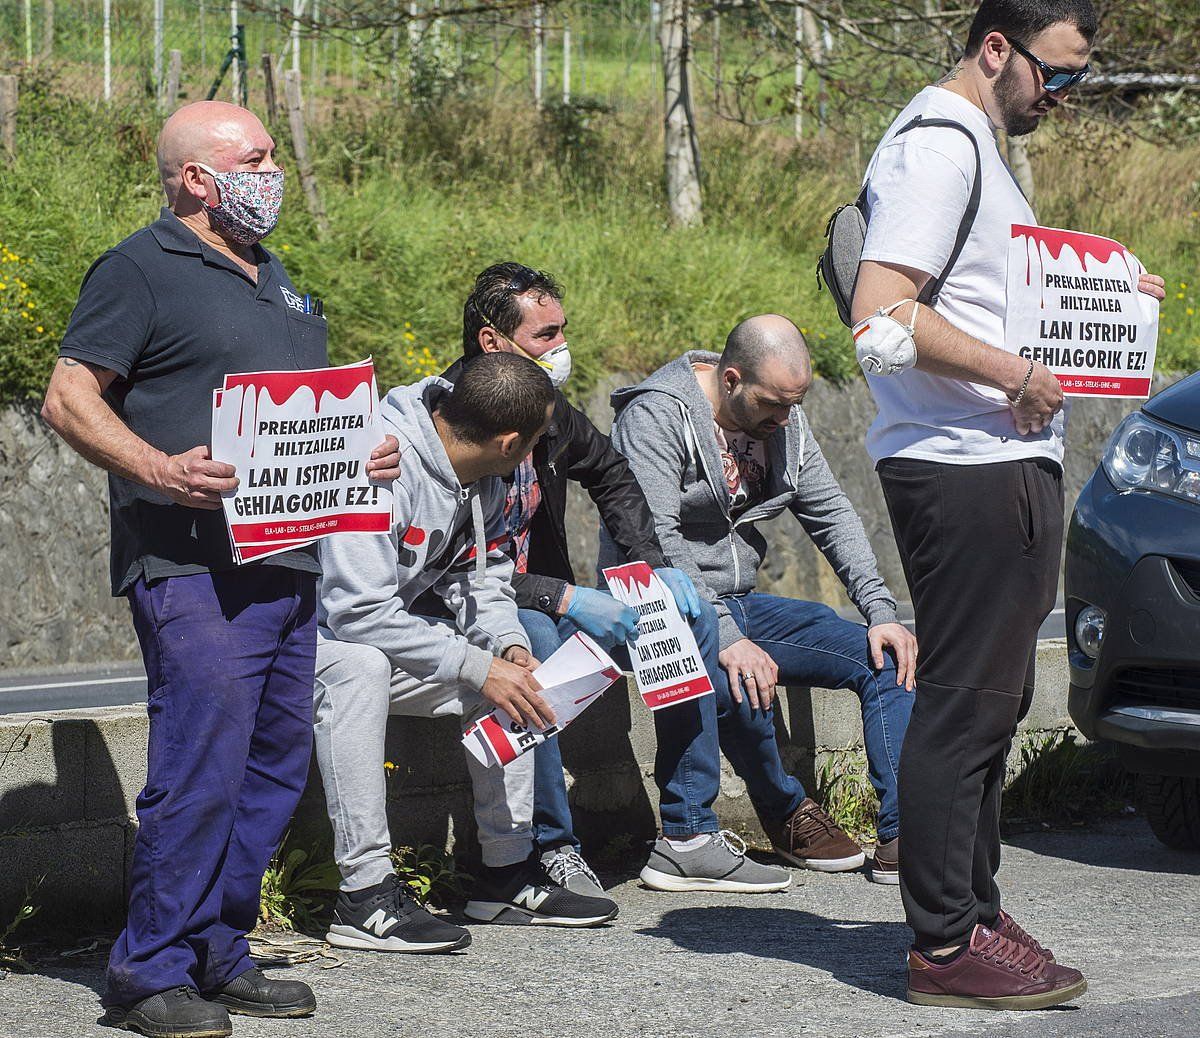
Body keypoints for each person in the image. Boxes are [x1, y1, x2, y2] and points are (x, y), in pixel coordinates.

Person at [41, 101, 401, 1037]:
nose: (273, 169)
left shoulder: (277, 279)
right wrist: (160, 470)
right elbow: (69, 397)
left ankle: (216, 948)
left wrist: (356, 453)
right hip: (192, 567)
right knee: (200, 767)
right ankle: (149, 971)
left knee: (273, 767)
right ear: (198, 178)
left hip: (289, 562)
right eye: (258, 156)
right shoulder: (138, 269)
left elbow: (291, 423)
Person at [849, 0, 1166, 1009]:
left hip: (988, 462)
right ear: (998, 49)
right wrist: (1014, 374)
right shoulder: (939, 149)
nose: (1062, 97)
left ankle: (974, 911)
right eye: (1058, 74)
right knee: (967, 705)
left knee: (993, 703)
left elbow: (993, 300)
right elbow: (882, 311)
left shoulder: (973, 152)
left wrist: (1109, 301)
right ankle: (945, 946)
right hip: (962, 463)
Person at [446, 264, 797, 895]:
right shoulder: (456, 418)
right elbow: (454, 570)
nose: (560, 350)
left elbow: (610, 472)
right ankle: (552, 846)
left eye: (563, 332)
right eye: (543, 337)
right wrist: (561, 595)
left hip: (550, 593)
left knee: (680, 612)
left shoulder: (549, 409)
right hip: (481, 607)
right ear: (491, 342)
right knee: (536, 648)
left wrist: (650, 570)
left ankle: (688, 833)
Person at [314, 351, 621, 955]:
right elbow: (354, 613)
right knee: (362, 667)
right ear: (510, 442)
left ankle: (504, 873)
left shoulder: (483, 476)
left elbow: (483, 577)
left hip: (372, 632)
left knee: (512, 680)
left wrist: (504, 646)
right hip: (298, 641)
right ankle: (364, 894)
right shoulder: (379, 463)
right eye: (536, 444)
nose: (538, 456)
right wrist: (476, 663)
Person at [601, 315, 918, 887]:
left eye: (793, 404)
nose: (782, 418)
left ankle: (904, 836)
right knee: (733, 678)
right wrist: (728, 638)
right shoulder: (657, 415)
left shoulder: (786, 423)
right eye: (771, 404)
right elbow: (656, 544)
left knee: (887, 660)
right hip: (657, 607)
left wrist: (881, 611)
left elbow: (831, 511)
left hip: (738, 602)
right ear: (730, 379)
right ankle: (784, 810)